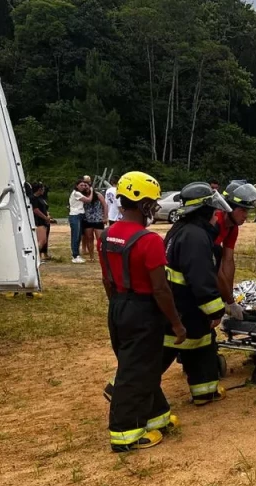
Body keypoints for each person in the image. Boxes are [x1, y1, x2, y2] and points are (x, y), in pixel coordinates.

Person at [98, 171, 187, 452]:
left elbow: (107, 280)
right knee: (134, 371)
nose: (154, 208)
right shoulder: (149, 241)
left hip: (118, 306)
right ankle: (125, 433)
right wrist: (176, 324)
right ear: (142, 203)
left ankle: (156, 417)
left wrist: (119, 305)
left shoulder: (107, 235)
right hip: (144, 310)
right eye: (152, 202)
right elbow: (161, 289)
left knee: (143, 367)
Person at [161, 182, 233, 404]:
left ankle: (205, 391)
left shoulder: (183, 229)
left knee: (201, 345)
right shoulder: (196, 237)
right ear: (203, 211)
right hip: (186, 307)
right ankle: (127, 391)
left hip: (184, 306)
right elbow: (202, 279)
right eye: (213, 210)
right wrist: (216, 311)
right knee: (157, 357)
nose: (216, 216)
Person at [214, 180, 256, 319]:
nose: (246, 215)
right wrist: (228, 300)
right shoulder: (215, 222)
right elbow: (213, 267)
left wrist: (229, 299)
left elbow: (228, 260)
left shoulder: (232, 227)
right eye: (242, 210)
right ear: (229, 208)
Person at [82, 181, 108, 262]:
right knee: (89, 238)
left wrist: (105, 217)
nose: (85, 187)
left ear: (90, 186)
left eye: (86, 186)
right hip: (87, 220)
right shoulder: (82, 196)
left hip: (98, 219)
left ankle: (102, 256)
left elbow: (104, 205)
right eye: (83, 186)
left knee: (100, 239)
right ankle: (91, 257)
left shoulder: (98, 195)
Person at [68, 179, 92, 264]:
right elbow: (88, 200)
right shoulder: (76, 193)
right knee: (76, 235)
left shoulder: (79, 193)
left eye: (84, 185)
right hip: (75, 215)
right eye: (81, 185)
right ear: (77, 185)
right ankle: (75, 255)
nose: (83, 187)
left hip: (80, 215)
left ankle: (76, 254)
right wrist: (91, 190)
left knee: (78, 236)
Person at [30, 183, 52, 261]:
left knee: (44, 239)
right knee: (41, 240)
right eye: (42, 189)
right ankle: (35, 255)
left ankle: (40, 256)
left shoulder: (41, 198)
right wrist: (45, 217)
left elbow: (45, 208)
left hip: (44, 220)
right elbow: (35, 210)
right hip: (39, 221)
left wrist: (48, 216)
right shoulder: (33, 198)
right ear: (39, 189)